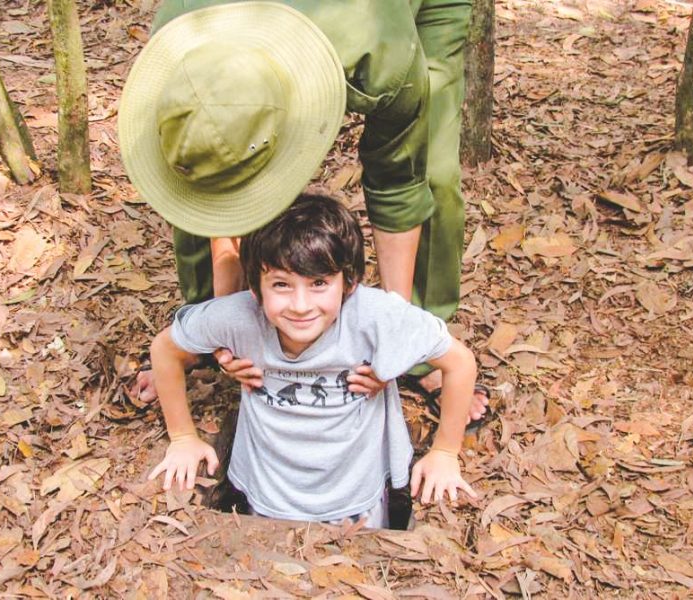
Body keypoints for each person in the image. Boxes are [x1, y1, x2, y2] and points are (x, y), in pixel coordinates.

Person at [118, 1, 488, 419]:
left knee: (432, 175)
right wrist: (225, 325)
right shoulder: (177, 42)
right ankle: (198, 336)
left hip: (394, 19)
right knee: (192, 170)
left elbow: (398, 183)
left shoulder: (382, 60)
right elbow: (206, 184)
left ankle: (423, 353)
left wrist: (392, 335)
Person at [148, 195, 478, 527]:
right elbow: (165, 350)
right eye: (281, 285)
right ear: (254, 288)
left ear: (349, 282)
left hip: (358, 500)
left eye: (319, 283)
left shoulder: (374, 316)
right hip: (265, 496)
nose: (301, 305)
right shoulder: (240, 318)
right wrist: (183, 438)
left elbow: (460, 363)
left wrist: (445, 453)